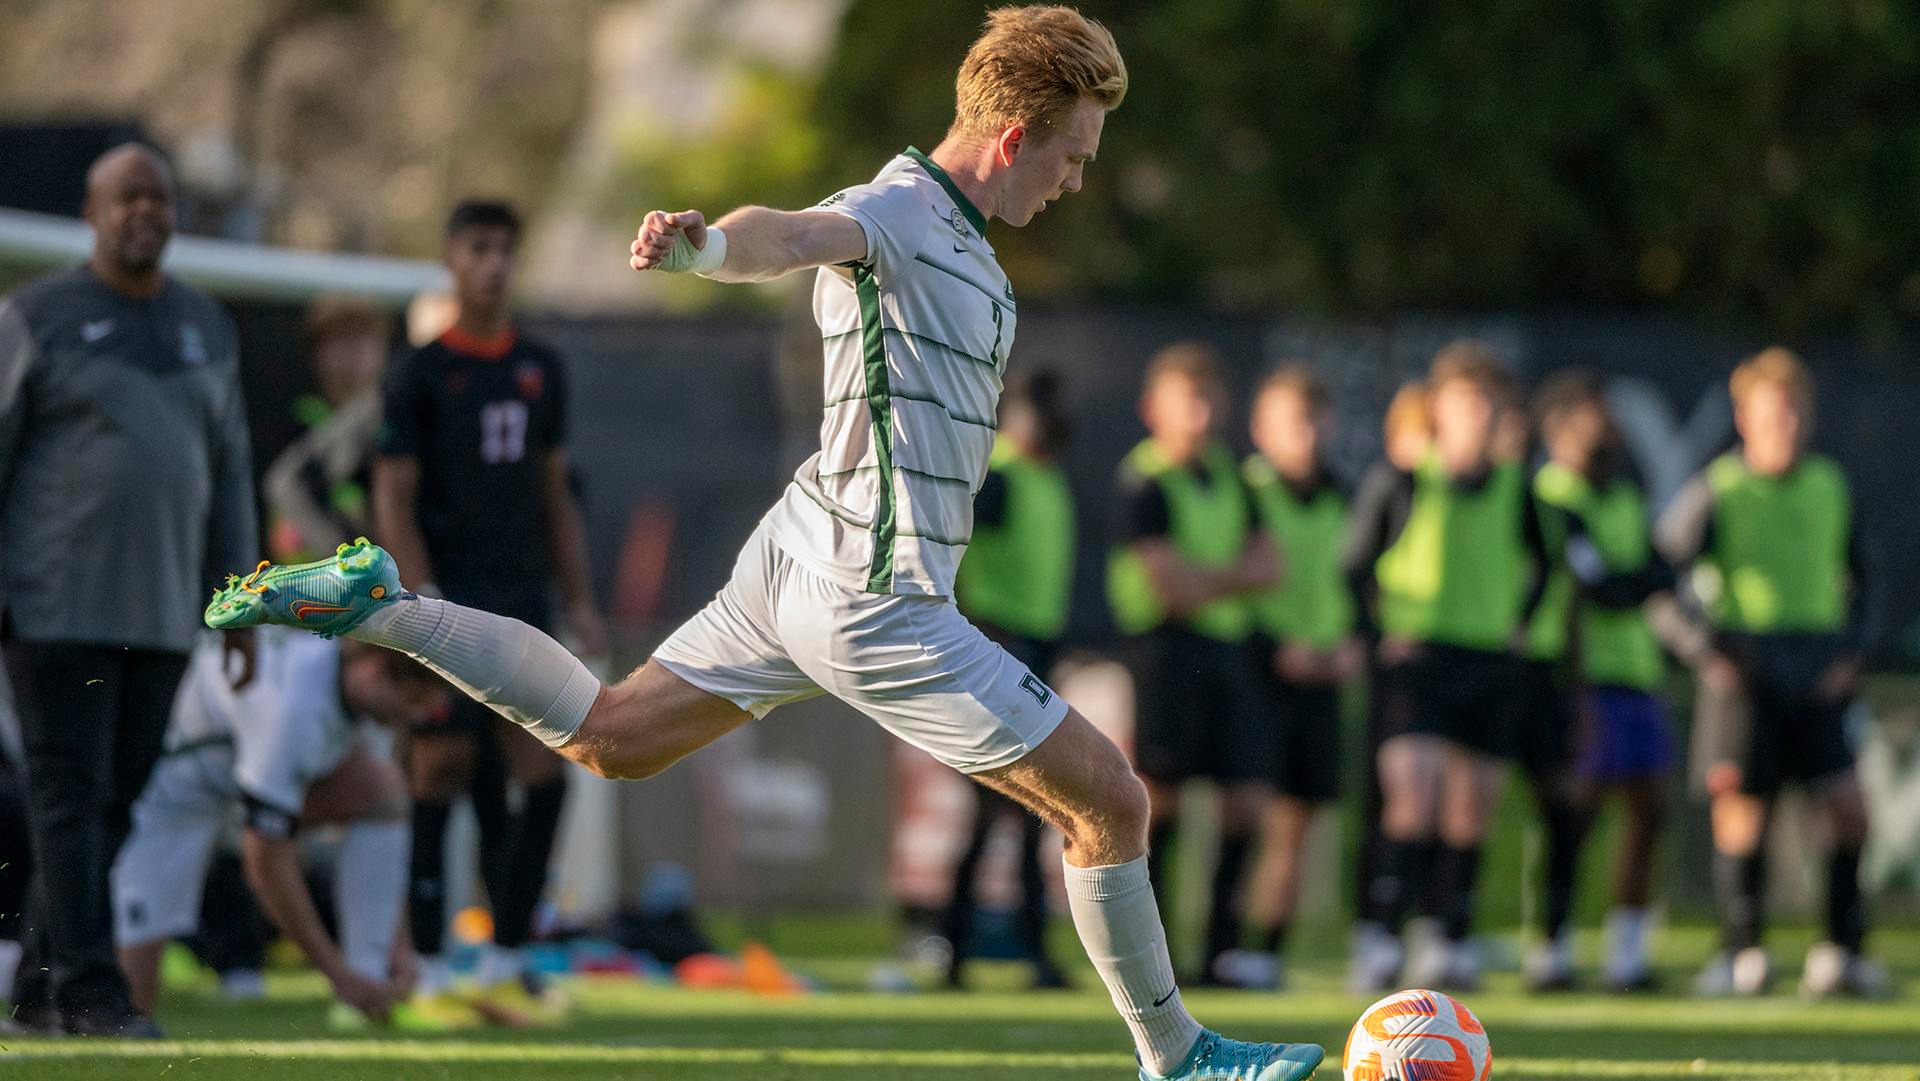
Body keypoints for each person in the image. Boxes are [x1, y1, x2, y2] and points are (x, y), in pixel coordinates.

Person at [205, 8, 1326, 1078]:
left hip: (801, 557)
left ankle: (384, 606)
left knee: (609, 734)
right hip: (874, 597)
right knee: (1112, 802)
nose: (1076, 179)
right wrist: (702, 250)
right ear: (1014, 137)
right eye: (1073, 155)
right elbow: (789, 234)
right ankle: (1178, 1056)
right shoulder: (901, 209)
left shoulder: (968, 247)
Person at [0, 144, 257, 1037]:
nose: (143, 210)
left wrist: (241, 603)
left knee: (113, 803)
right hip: (54, 607)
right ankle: (90, 990)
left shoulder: (205, 325)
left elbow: (230, 474)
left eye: (158, 197)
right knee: (69, 796)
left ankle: (39, 987)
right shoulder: (36, 316)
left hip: (163, 615)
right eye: (125, 197)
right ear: (91, 213)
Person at [371, 199, 606, 1023]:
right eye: (479, 248)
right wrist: (418, 601)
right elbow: (392, 495)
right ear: (450, 258)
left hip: (524, 601)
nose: (494, 264)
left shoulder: (541, 367)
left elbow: (555, 493)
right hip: (448, 600)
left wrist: (580, 599)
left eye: (505, 248)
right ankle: (431, 972)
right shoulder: (418, 372)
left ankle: (507, 958)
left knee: (545, 773)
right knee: (437, 768)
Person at [1656, 348, 1887, 998]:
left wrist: (1851, 653)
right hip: (1746, 668)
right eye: (1770, 412)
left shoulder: (1829, 485)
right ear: (1744, 417)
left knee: (1849, 809)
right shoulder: (1719, 488)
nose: (1783, 423)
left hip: (1817, 666)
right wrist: (1705, 649)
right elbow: (1662, 577)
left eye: (1792, 411)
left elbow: (1868, 579)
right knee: (1742, 812)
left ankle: (1842, 950)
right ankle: (1741, 952)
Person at [113, 629, 448, 1029]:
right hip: (172, 790)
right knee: (131, 1003)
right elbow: (265, 862)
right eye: (414, 699)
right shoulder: (292, 706)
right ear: (374, 669)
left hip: (234, 782)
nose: (417, 715)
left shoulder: (348, 683)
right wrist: (336, 975)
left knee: (381, 788)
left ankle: (372, 975)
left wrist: (399, 946)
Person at [1344, 342, 1548, 993]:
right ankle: (1379, 936)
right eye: (1465, 402)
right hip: (1419, 660)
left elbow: (1545, 564)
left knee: (1471, 807)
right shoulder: (1405, 480)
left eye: (1488, 403)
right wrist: (1377, 635)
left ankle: (1445, 934)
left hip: (1488, 661)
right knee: (1415, 793)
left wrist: (1518, 624)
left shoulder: (1517, 487)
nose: (1477, 416)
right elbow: (1353, 565)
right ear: (1439, 409)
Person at [1108, 343, 1278, 987]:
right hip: (1166, 652)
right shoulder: (1145, 479)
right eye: (1187, 400)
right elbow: (1169, 588)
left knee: (1246, 802)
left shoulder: (1233, 476)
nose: (1200, 414)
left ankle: (1222, 951)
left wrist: (1208, 578)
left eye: (1209, 399)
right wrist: (1235, 576)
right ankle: (1155, 956)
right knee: (1162, 802)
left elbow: (1273, 566)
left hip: (1229, 652)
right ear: (1153, 408)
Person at [1523, 371, 1677, 991]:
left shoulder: (1622, 497)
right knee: (1573, 813)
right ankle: (1552, 944)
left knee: (1649, 808)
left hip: (1635, 671)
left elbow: (1658, 570)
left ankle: (1626, 953)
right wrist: (1635, 580)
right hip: (1579, 674)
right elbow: (1604, 588)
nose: (1608, 433)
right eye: (1594, 420)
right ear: (1560, 430)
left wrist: (1634, 580)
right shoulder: (1551, 496)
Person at [941, 370, 1076, 990]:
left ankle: (1007, 950)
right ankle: (957, 946)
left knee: (1026, 811)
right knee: (999, 808)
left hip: (1034, 650)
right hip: (997, 649)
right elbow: (957, 555)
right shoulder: (999, 476)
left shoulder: (1045, 479)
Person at [1228, 366, 1358, 991]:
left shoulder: (1345, 497)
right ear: (1261, 429)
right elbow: (1233, 577)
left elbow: (1364, 582)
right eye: (1291, 423)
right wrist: (1274, 647)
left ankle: (1267, 951)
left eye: (1313, 421)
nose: (1305, 435)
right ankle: (1220, 944)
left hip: (1324, 675)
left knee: (1299, 820)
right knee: (1247, 809)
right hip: (1258, 672)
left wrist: (1353, 643)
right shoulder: (1244, 492)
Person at [264, 296, 391, 563]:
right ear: (318, 354)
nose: (354, 357)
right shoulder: (298, 422)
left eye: (364, 342)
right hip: (312, 574)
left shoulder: (392, 423)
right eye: (341, 342)